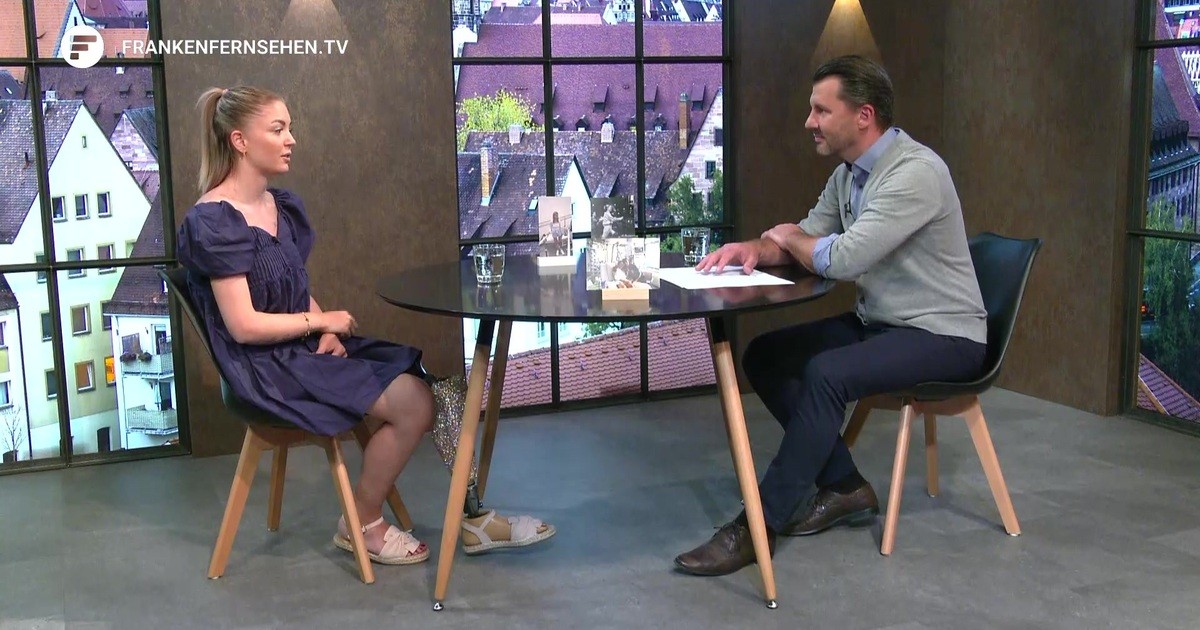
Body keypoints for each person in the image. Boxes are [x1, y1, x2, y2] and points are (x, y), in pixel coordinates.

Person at [178, 86, 554, 566]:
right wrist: (320, 321)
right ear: (240, 141)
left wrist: (326, 331)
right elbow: (243, 325)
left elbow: (292, 286)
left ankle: (474, 515)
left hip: (301, 349)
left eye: (290, 127)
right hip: (264, 369)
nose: (291, 139)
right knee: (415, 402)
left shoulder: (277, 206)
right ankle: (363, 521)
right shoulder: (213, 220)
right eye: (278, 129)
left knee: (433, 387)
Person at [674, 56, 988, 576]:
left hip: (945, 335)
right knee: (766, 356)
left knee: (826, 374)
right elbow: (807, 237)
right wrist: (755, 249)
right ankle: (844, 485)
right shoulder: (850, 175)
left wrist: (791, 238)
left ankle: (757, 527)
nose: (809, 122)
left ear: (864, 116)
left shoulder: (915, 174)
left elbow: (841, 259)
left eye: (821, 110)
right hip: (884, 324)